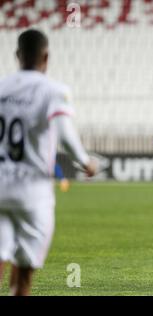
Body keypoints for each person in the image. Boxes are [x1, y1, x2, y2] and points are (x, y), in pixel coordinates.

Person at [0, 29, 96, 296]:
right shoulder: (53, 90)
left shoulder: (2, 87)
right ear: (46, 57)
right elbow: (65, 134)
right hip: (32, 191)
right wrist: (85, 162)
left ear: (17, 55)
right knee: (24, 277)